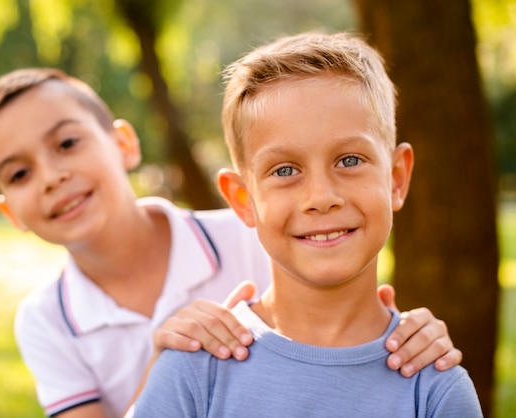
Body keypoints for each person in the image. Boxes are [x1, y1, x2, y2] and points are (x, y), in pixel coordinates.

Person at [0, 67, 464, 418]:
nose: (53, 177)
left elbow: (340, 308)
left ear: (124, 143)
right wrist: (163, 368)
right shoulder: (46, 319)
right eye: (20, 173)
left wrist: (407, 334)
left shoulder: (254, 233)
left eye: (66, 144)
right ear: (8, 210)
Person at [129, 31, 483, 417]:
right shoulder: (194, 369)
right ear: (242, 200)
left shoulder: (435, 389)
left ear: (396, 178)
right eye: (285, 170)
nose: (320, 197)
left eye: (349, 160)